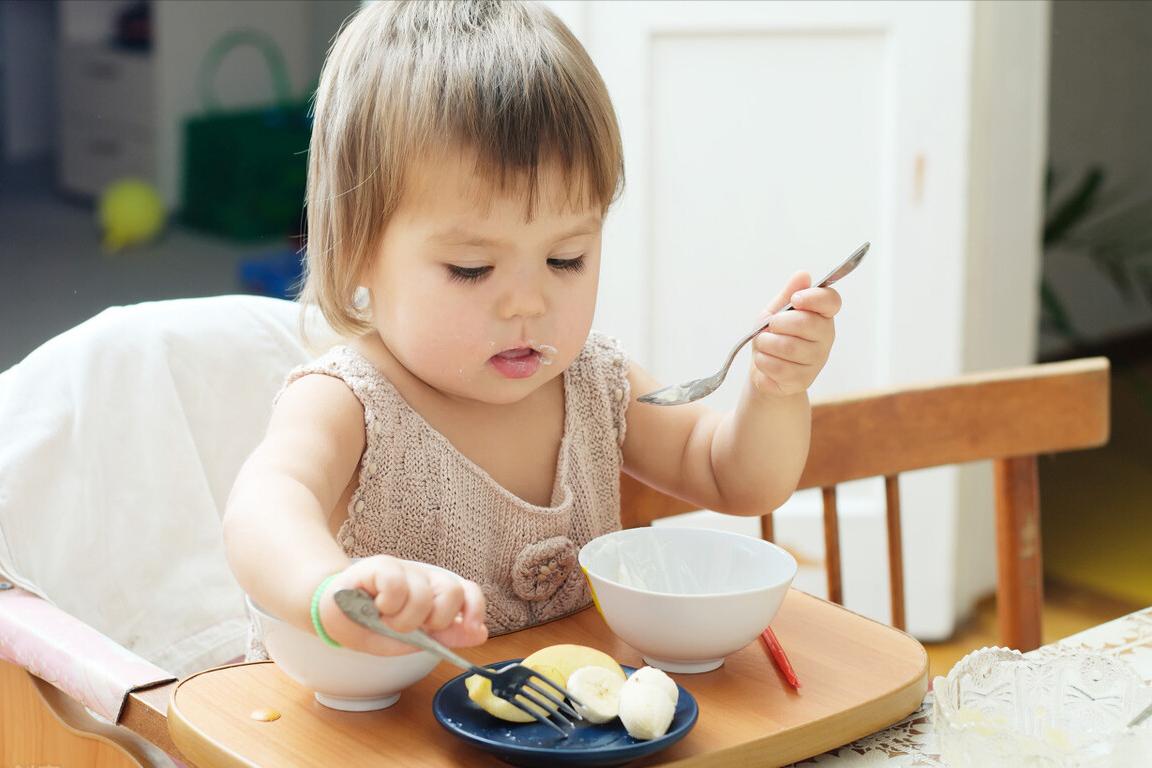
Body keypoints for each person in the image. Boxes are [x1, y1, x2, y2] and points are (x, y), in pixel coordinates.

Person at [224, 0, 842, 661]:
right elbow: (263, 506)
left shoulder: (594, 385)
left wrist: (775, 390)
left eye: (565, 258)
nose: (527, 304)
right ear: (357, 253)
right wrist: (330, 591)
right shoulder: (351, 402)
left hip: (568, 728)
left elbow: (737, 479)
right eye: (472, 268)